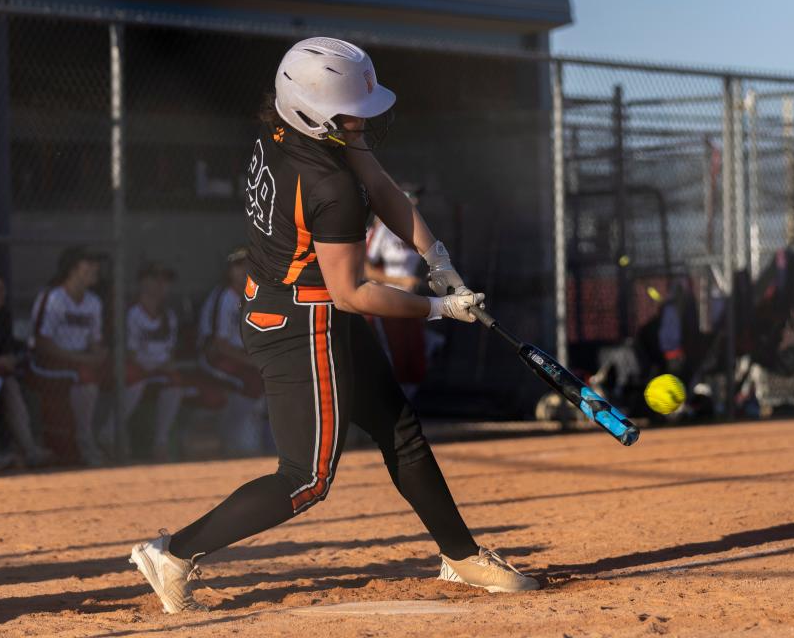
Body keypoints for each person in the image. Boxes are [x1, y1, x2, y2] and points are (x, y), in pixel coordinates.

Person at [130, 37, 537, 615]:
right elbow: (351, 293)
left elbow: (385, 188)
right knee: (307, 478)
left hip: (300, 302)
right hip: (303, 321)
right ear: (315, 114)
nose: (362, 122)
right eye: (351, 113)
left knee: (398, 428)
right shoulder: (329, 185)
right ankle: (172, 553)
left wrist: (438, 259)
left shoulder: (289, 133)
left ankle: (461, 555)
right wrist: (439, 309)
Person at [28, 246, 108, 466]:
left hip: (78, 361)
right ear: (73, 269)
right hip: (47, 363)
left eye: (96, 263)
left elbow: (95, 340)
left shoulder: (93, 301)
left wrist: (98, 352)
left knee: (117, 372)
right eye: (89, 263)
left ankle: (107, 435)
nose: (96, 268)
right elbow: (42, 344)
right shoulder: (54, 297)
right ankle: (84, 441)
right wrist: (83, 359)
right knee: (85, 376)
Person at [100, 263, 185, 461]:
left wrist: (164, 366)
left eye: (166, 282)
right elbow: (129, 354)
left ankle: (160, 443)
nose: (162, 286)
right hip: (132, 367)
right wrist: (156, 365)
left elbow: (169, 352)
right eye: (157, 280)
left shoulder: (168, 316)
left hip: (155, 368)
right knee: (135, 379)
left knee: (176, 383)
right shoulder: (132, 312)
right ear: (144, 283)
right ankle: (109, 434)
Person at [0, 265, 52, 469]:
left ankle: (29, 450)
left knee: (10, 385)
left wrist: (0, 365)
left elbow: (6, 356)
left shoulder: (3, 316)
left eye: (1, 290)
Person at [196, 248, 267, 455]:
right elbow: (218, 345)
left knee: (268, 379)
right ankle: (233, 439)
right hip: (214, 358)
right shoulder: (224, 296)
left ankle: (244, 439)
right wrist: (252, 361)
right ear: (229, 271)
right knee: (251, 380)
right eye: (237, 266)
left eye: (247, 265)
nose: (243, 270)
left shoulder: (256, 296)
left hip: (240, 356)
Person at [365, 189, 428, 399]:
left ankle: (406, 408)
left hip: (410, 301)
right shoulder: (383, 228)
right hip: (387, 301)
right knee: (395, 357)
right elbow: (365, 269)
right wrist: (400, 281)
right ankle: (393, 413)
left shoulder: (416, 229)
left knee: (416, 360)